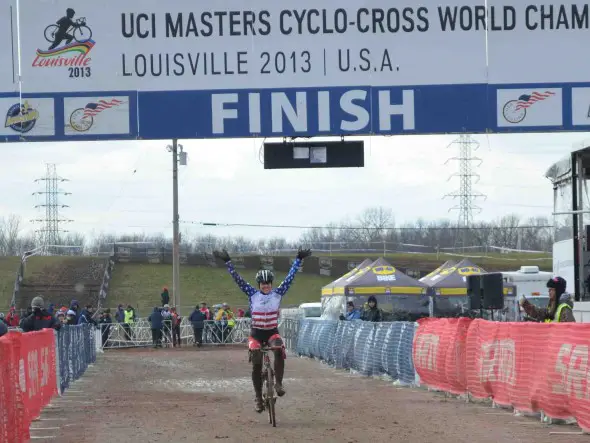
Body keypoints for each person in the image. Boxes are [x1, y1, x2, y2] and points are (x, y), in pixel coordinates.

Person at [214, 247, 312, 413]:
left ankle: (278, 383)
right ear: (259, 284)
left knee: (279, 349)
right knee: (256, 363)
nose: (266, 286)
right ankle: (259, 397)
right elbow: (238, 280)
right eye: (263, 283)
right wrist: (228, 262)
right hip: (256, 334)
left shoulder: (278, 293)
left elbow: (290, 277)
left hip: (272, 332)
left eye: (268, 283)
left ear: (271, 284)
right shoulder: (252, 294)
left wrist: (298, 259)